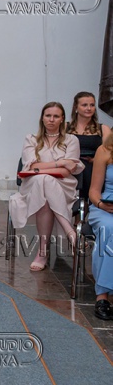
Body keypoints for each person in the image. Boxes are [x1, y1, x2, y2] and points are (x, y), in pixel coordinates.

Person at [9, 102, 84, 271]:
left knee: (44, 183)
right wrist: (60, 163)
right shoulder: (31, 139)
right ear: (42, 118)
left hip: (63, 187)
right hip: (32, 186)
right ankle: (70, 232)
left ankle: (42, 252)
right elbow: (30, 166)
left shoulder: (72, 140)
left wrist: (40, 168)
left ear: (62, 119)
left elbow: (65, 172)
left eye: (56, 116)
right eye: (48, 115)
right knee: (43, 182)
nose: (51, 119)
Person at [87, 132, 113, 320]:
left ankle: (103, 293)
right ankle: (102, 296)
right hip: (105, 205)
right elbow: (94, 191)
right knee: (108, 228)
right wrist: (101, 204)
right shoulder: (104, 151)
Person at [66, 91, 111, 200]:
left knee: (89, 168)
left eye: (92, 105)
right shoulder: (65, 127)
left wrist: (97, 160)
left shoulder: (103, 129)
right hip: (71, 166)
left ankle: (90, 202)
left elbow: (110, 151)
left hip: (95, 166)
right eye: (84, 105)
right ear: (76, 107)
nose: (89, 108)